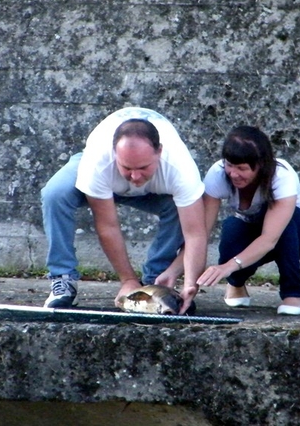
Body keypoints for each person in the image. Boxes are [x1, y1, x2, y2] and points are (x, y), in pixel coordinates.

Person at [40, 107, 207, 314]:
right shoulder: (98, 163)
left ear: (160, 152)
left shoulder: (181, 168)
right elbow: (108, 226)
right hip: (103, 176)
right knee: (55, 193)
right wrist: (127, 280)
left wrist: (191, 284)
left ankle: (156, 283)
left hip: (155, 190)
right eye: (127, 168)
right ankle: (63, 279)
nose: (135, 177)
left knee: (182, 208)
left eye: (143, 167)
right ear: (114, 154)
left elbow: (195, 234)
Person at [196, 126, 300, 315]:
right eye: (229, 165)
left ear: (261, 165)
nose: (233, 174)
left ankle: (292, 293)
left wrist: (227, 267)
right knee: (231, 227)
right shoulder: (217, 173)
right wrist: (190, 281)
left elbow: (269, 239)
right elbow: (200, 232)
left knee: (284, 228)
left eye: (242, 168)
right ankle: (237, 284)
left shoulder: (281, 175)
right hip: (252, 228)